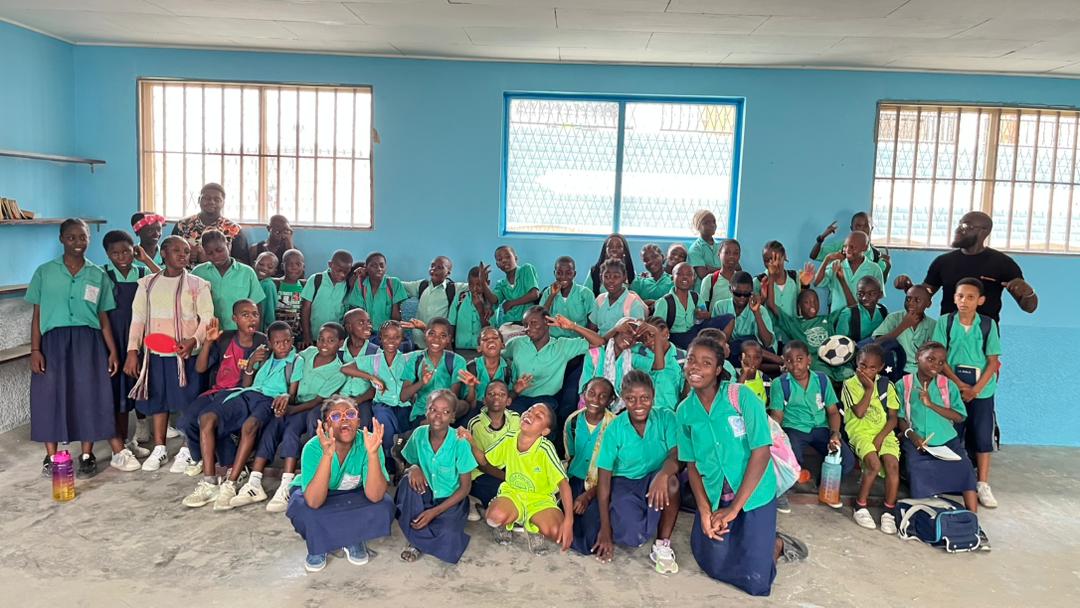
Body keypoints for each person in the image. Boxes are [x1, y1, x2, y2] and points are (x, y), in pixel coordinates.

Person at [677, 334, 806, 597]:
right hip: (717, 495)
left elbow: (761, 452)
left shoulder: (741, 397)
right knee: (712, 564)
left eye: (706, 363)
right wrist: (705, 511)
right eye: (691, 360)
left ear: (718, 369)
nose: (695, 367)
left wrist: (734, 509)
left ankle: (776, 544)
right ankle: (747, 536)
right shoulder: (684, 411)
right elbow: (691, 465)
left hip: (754, 494)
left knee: (756, 583)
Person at [27, 219, 131, 477]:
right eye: (71, 237)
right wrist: (35, 349)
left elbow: (103, 317)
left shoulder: (97, 275)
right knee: (49, 395)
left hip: (89, 341)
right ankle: (51, 456)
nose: (77, 242)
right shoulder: (44, 272)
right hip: (53, 342)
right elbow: (37, 314)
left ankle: (86, 454)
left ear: (89, 239)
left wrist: (112, 351)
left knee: (89, 394)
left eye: (82, 237)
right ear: (61, 239)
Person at [230, 323, 349, 513]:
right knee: (271, 429)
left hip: (306, 408)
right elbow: (289, 364)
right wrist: (286, 398)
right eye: (321, 339)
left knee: (291, 432)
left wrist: (292, 410)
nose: (324, 344)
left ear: (341, 343)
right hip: (289, 401)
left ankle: (286, 485)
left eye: (331, 340)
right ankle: (254, 482)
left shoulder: (338, 371)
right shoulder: (309, 353)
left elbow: (317, 400)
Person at [125, 235, 214, 473]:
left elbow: (207, 317)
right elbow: (138, 319)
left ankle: (187, 448)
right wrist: (132, 350)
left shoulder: (197, 284)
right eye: (177, 250)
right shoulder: (147, 284)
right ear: (163, 254)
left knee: (188, 401)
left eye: (186, 251)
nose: (183, 255)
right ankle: (160, 448)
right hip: (156, 354)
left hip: (186, 355)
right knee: (158, 401)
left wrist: (193, 340)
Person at [286, 397, 393, 573]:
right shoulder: (313, 447)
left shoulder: (370, 442)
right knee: (304, 510)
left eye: (350, 414)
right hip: (320, 493)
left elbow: (375, 496)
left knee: (384, 506)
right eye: (336, 416)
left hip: (353, 493)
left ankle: (352, 537)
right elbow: (314, 501)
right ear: (326, 425)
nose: (344, 419)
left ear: (358, 421)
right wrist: (327, 455)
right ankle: (319, 544)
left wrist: (373, 454)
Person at [591, 371, 682, 573]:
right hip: (625, 482)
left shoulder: (666, 417)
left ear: (653, 396)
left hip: (655, 477)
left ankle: (662, 544)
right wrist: (605, 530)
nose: (638, 405)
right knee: (632, 538)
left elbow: (676, 455)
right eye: (631, 399)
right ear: (623, 398)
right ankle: (633, 514)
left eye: (645, 398)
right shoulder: (614, 429)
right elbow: (604, 483)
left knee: (672, 483)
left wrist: (663, 475)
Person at [179, 301, 267, 506]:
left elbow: (254, 383)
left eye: (255, 314)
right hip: (217, 392)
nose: (251, 319)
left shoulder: (262, 342)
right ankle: (208, 459)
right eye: (245, 315)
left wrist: (252, 362)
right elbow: (200, 368)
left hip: (240, 395)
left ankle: (210, 481)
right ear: (234, 319)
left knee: (208, 420)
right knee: (186, 422)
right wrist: (208, 342)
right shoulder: (225, 338)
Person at [204, 321, 298, 509]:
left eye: (287, 341)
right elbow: (247, 384)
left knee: (249, 426)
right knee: (207, 419)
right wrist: (251, 363)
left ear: (293, 340)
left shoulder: (296, 361)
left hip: (268, 400)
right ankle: (209, 482)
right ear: (269, 343)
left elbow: (292, 394)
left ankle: (230, 483)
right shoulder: (264, 356)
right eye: (277, 342)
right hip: (247, 394)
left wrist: (287, 396)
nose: (283, 346)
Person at [463, 403, 575, 555]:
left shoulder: (545, 448)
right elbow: (484, 461)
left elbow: (563, 483)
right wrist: (471, 440)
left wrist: (569, 520)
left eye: (538, 416)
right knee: (493, 517)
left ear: (545, 431)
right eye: (529, 410)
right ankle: (504, 524)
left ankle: (533, 528)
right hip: (513, 494)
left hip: (539, 499)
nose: (530, 414)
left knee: (557, 531)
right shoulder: (510, 438)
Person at [931, 278, 1002, 508]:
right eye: (960, 296)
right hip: (953, 388)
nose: (964, 301)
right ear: (954, 298)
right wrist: (960, 385)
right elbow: (940, 358)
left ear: (980, 301)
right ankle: (951, 478)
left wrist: (976, 389)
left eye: (970, 297)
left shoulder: (988, 325)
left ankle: (982, 483)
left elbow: (992, 361)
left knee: (982, 435)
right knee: (951, 433)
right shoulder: (945, 322)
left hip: (982, 390)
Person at [894, 211, 1038, 320]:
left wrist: (1028, 293)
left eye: (966, 226)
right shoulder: (943, 262)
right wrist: (909, 287)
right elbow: (926, 293)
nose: (958, 229)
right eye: (959, 224)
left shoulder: (1003, 263)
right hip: (949, 334)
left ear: (984, 231)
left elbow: (1030, 308)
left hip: (983, 339)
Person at [767, 341, 854, 513]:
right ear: (784, 362)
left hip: (821, 428)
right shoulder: (780, 383)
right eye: (789, 361)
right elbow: (777, 416)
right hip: (794, 428)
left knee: (847, 460)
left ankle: (824, 486)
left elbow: (833, 412)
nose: (795, 365)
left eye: (799, 359)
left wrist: (835, 434)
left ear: (809, 360)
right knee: (791, 458)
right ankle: (782, 491)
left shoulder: (822, 380)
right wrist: (777, 437)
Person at [395, 389, 477, 564]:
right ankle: (417, 539)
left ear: (453, 417)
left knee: (449, 533)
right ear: (426, 411)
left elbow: (465, 488)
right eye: (433, 409)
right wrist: (413, 467)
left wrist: (434, 512)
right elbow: (409, 461)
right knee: (407, 484)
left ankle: (417, 538)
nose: (438, 416)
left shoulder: (460, 442)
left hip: (449, 499)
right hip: (424, 493)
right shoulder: (419, 434)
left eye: (445, 412)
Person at [896, 342, 979, 512]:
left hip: (947, 440)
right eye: (930, 359)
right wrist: (912, 436)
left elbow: (959, 416)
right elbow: (900, 417)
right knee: (917, 470)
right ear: (918, 357)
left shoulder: (948, 385)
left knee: (966, 469)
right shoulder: (903, 385)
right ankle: (923, 514)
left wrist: (931, 404)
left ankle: (972, 516)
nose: (935, 365)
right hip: (917, 440)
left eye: (941, 363)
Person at [102, 230, 155, 460]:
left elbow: (166, 280)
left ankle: (135, 436)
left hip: (139, 338)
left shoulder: (142, 272)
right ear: (108, 255)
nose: (122, 256)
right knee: (118, 391)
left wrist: (146, 259)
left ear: (134, 249)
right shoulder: (103, 274)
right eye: (115, 253)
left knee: (140, 385)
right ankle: (122, 442)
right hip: (113, 338)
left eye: (126, 251)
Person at [840, 344, 901, 533]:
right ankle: (860, 505)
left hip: (883, 432)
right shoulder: (849, 384)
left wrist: (881, 438)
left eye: (872, 368)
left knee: (892, 465)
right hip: (860, 432)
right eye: (862, 366)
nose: (866, 371)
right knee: (873, 464)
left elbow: (893, 418)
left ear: (881, 367)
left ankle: (889, 511)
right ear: (856, 363)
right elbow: (859, 413)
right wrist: (869, 389)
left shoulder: (887, 385)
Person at [502, 308, 604, 416]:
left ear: (546, 322)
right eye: (525, 324)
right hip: (518, 396)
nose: (528, 328)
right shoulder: (517, 344)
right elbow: (499, 355)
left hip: (546, 399)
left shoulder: (562, 346)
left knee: (540, 419)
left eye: (533, 323)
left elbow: (599, 342)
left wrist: (573, 326)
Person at [340, 321, 413, 465]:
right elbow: (345, 368)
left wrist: (422, 328)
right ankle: (387, 461)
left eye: (396, 337)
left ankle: (400, 460)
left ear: (402, 339)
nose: (391, 341)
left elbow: (430, 350)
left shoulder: (408, 359)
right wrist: (371, 377)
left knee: (404, 433)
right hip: (382, 404)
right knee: (382, 421)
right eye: (387, 337)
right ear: (380, 338)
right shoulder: (373, 360)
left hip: (404, 405)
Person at [564, 377, 618, 556]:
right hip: (575, 480)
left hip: (600, 485)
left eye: (603, 396)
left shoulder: (615, 426)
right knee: (560, 516)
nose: (595, 399)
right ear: (583, 395)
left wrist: (587, 496)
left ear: (611, 400)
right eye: (591, 393)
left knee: (589, 542)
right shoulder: (572, 421)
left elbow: (616, 471)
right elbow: (571, 455)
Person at [763, 267, 846, 383]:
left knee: (850, 372)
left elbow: (851, 307)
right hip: (816, 365)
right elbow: (771, 305)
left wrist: (842, 280)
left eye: (815, 301)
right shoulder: (794, 323)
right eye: (807, 302)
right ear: (799, 306)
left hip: (835, 360)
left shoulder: (828, 319)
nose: (812, 305)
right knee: (823, 376)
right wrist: (771, 277)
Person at [191, 229, 264, 331]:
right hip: (208, 333)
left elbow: (257, 306)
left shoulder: (247, 273)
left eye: (219, 250)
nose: (216, 256)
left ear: (228, 245)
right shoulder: (198, 273)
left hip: (239, 333)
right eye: (210, 253)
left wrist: (255, 333)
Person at [400, 318, 468, 427]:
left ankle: (433, 425)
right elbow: (403, 397)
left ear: (449, 339)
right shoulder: (415, 359)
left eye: (443, 336)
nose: (436, 339)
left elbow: (453, 398)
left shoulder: (457, 361)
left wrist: (441, 413)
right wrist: (421, 382)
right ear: (425, 335)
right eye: (432, 334)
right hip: (422, 413)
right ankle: (430, 425)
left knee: (463, 405)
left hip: (446, 411)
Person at [465, 381, 520, 515]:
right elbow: (481, 464)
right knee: (501, 491)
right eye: (491, 394)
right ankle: (473, 500)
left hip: (508, 468)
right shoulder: (476, 424)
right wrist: (507, 478)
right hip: (483, 472)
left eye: (501, 394)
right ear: (484, 400)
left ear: (508, 401)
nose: (496, 397)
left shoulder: (515, 418)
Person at [171, 182, 250, 265]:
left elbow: (243, 263)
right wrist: (186, 254)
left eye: (217, 199)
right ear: (199, 200)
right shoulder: (182, 225)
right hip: (187, 272)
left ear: (223, 203)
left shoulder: (234, 229)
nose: (211, 202)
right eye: (206, 198)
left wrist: (210, 258)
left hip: (220, 273)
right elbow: (169, 254)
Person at [653, 262, 721, 349]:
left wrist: (703, 315)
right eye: (679, 274)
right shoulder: (664, 302)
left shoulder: (696, 297)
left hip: (695, 332)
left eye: (689, 274)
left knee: (727, 318)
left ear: (694, 278)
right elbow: (656, 328)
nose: (685, 277)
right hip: (676, 337)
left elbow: (702, 320)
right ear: (672, 277)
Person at [402, 256, 466, 349]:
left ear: (448, 273)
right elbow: (398, 284)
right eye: (432, 266)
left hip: (439, 344)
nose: (434, 269)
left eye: (439, 267)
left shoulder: (454, 288)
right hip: (418, 343)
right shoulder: (421, 286)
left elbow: (474, 285)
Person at [872, 285, 936, 376]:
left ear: (928, 304)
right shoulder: (893, 318)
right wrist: (903, 325)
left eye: (917, 300)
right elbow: (876, 343)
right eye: (908, 299)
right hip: (895, 370)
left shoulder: (933, 325)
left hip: (921, 372)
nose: (911, 303)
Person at [815, 231, 884, 315]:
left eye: (852, 247)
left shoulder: (874, 269)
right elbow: (817, 282)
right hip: (837, 317)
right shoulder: (836, 264)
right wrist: (827, 259)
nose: (847, 250)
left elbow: (876, 298)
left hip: (862, 318)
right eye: (845, 246)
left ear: (864, 248)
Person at [713, 271, 775, 361]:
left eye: (746, 294)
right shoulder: (720, 306)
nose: (742, 297)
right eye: (738, 293)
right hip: (731, 353)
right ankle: (780, 362)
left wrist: (756, 312)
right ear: (730, 289)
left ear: (752, 291)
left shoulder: (761, 310)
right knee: (737, 345)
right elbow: (714, 338)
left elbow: (767, 343)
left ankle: (780, 362)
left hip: (759, 353)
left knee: (748, 342)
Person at [810, 212, 890, 280]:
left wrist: (887, 268)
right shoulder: (841, 247)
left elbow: (880, 284)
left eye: (866, 226)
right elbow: (814, 255)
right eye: (858, 226)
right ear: (852, 228)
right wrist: (822, 237)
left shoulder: (876, 256)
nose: (862, 230)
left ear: (871, 229)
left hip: (862, 294)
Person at [300, 249, 353, 349]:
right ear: (330, 264)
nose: (342, 274)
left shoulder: (348, 285)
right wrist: (306, 335)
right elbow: (305, 308)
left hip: (335, 340)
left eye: (346, 272)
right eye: (339, 270)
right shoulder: (316, 280)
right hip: (314, 337)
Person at [348, 252, 407, 335]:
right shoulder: (360, 284)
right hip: (366, 332)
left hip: (386, 333)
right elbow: (357, 312)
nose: (379, 269)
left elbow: (396, 316)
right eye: (374, 266)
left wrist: (391, 334)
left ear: (386, 267)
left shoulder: (393, 283)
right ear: (366, 268)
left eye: (382, 265)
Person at [456, 327, 512, 413]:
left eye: (495, 337)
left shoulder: (508, 368)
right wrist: (471, 387)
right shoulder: (472, 368)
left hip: (499, 409)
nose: (491, 341)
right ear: (479, 348)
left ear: (502, 345)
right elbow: (469, 404)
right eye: (485, 339)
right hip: (476, 409)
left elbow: (509, 398)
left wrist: (516, 390)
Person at [635, 318, 686, 411]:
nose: (648, 341)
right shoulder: (640, 352)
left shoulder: (682, 358)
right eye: (645, 338)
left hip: (671, 412)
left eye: (652, 335)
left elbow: (685, 393)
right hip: (646, 412)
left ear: (666, 334)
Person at [539, 256, 596, 338]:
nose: (563, 277)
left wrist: (585, 340)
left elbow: (593, 323)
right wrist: (552, 296)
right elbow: (541, 318)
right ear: (554, 273)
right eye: (559, 273)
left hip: (577, 340)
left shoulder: (585, 293)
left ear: (574, 274)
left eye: (568, 273)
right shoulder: (548, 292)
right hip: (553, 340)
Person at [755, 241, 800, 343]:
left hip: (791, 336)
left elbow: (800, 305)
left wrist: (806, 286)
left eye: (776, 258)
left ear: (784, 256)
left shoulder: (795, 277)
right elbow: (755, 310)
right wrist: (762, 298)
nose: (772, 264)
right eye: (767, 260)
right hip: (769, 338)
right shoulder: (758, 281)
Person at [590, 259, 647, 337]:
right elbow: (592, 328)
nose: (611, 280)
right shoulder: (600, 299)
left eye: (616, 276)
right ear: (601, 278)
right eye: (606, 276)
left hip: (623, 343)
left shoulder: (633, 303)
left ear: (624, 277)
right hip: (599, 343)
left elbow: (636, 334)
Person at [491, 245, 539, 328]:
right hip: (509, 322)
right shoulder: (501, 284)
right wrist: (483, 284)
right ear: (497, 265)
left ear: (516, 258)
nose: (504, 261)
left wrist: (511, 303)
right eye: (500, 259)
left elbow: (534, 294)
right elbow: (494, 300)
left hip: (527, 322)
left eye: (508, 257)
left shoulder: (526, 269)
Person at [448, 265, 493, 352]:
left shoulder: (491, 301)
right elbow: (451, 324)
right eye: (471, 284)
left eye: (479, 285)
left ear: (487, 283)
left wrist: (480, 309)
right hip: (460, 348)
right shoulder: (460, 297)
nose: (474, 288)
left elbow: (489, 330)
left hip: (482, 350)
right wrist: (449, 347)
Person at [833, 276, 888, 342]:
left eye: (871, 294)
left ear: (880, 294)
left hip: (879, 346)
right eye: (861, 294)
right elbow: (840, 341)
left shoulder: (883, 310)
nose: (865, 298)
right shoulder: (848, 313)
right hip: (857, 347)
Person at [699, 239, 742, 313]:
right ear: (719, 254)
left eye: (735, 253)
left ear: (739, 256)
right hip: (714, 320)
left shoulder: (742, 280)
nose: (731, 256)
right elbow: (702, 311)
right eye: (727, 252)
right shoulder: (710, 280)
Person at [275, 249, 306, 340]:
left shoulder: (305, 285)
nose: (294, 267)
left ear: (303, 267)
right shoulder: (276, 284)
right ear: (282, 266)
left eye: (298, 264)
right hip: (277, 333)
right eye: (290, 264)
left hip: (297, 334)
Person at [687, 209, 723, 285]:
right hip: (703, 290)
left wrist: (711, 269)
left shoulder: (721, 246)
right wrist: (726, 269)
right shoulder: (695, 249)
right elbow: (703, 275)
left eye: (714, 222)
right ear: (698, 227)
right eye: (706, 223)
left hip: (721, 288)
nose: (712, 225)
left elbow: (737, 268)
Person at [253, 251, 279, 331]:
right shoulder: (253, 281)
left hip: (262, 328)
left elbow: (270, 311)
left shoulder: (268, 285)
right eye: (261, 264)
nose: (264, 268)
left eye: (270, 267)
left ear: (274, 271)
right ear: (254, 264)